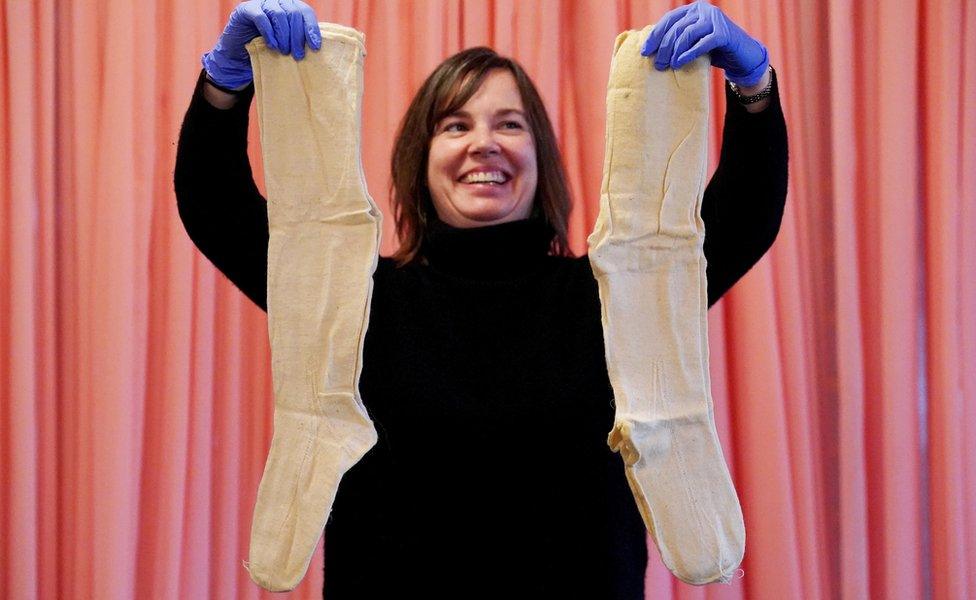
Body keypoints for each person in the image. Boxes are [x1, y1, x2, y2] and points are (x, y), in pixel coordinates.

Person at [174, 0, 788, 597]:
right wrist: (226, 80)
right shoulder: (352, 304)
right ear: (422, 158)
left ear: (539, 158)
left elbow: (744, 215)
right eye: (455, 125)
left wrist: (752, 81)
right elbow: (215, 205)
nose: (483, 144)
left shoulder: (615, 302)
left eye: (509, 124)